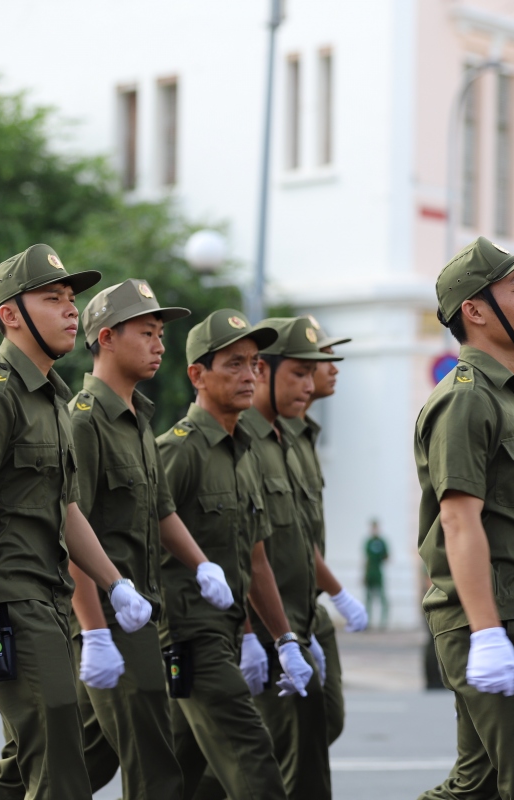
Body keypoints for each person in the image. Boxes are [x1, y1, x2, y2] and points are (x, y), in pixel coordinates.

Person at [0, 244, 152, 800]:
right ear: (11, 315)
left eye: (71, 299)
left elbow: (68, 509)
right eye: (52, 299)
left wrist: (114, 584)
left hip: (49, 598)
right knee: (61, 770)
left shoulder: (50, 399)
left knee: (30, 763)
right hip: (7, 601)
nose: (71, 310)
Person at [415, 237, 514, 800]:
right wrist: (487, 632)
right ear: (476, 311)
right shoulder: (466, 398)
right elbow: (459, 522)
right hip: (493, 615)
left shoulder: (512, 400)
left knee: (478, 787)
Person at [65, 279, 240, 800]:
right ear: (106, 337)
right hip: (108, 618)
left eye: (161, 333)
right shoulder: (84, 420)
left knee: (73, 768)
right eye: (146, 332)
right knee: (156, 773)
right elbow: (71, 529)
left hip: (141, 612)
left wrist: (201, 565)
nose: (159, 344)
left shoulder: (138, 416)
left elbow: (161, 509)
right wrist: (94, 633)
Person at [157, 309, 307, 800]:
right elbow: (148, 538)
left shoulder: (243, 452)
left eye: (255, 364)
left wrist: (283, 640)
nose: (249, 375)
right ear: (197, 375)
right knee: (254, 761)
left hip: (225, 634)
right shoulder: (178, 451)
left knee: (186, 777)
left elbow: (255, 559)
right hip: (188, 635)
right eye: (234, 364)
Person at [241, 316, 346, 800]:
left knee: (307, 749)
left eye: (313, 371)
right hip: (263, 626)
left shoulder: (287, 437)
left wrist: (330, 601)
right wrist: (256, 636)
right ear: (263, 370)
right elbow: (234, 551)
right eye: (300, 372)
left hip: (296, 620)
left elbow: (297, 538)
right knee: (276, 764)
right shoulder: (241, 441)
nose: (312, 382)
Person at [282, 314, 367, 747]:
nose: (332, 367)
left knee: (324, 722)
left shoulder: (302, 434)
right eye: (322, 358)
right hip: (279, 607)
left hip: (308, 603)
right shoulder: (271, 437)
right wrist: (339, 591)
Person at [364, 519, 390, 630]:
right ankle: (367, 622)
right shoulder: (368, 542)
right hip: (370, 572)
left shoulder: (382, 542)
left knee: (382, 598)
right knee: (368, 599)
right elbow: (366, 559)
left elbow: (387, 556)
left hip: (378, 572)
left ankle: (383, 623)